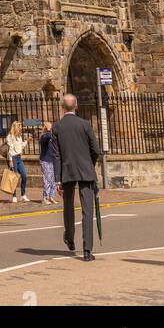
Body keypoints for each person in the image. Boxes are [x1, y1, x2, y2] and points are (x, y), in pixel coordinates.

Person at [52, 94, 101, 261]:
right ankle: (87, 250)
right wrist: (90, 164)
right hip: (86, 170)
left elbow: (56, 155)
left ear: (62, 107)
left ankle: (70, 238)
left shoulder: (57, 127)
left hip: (67, 171)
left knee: (68, 207)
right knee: (88, 210)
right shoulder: (85, 124)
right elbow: (96, 149)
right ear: (76, 106)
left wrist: (57, 179)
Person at [4, 120, 30, 203]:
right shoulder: (10, 136)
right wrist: (10, 160)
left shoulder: (19, 136)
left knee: (24, 176)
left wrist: (27, 141)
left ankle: (23, 195)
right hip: (13, 158)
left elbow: (21, 146)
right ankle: (14, 196)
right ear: (15, 127)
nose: (21, 128)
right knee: (14, 177)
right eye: (19, 126)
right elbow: (10, 149)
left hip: (19, 158)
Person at [39, 119, 58, 204]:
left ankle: (51, 196)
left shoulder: (52, 136)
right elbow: (47, 137)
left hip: (52, 160)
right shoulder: (44, 136)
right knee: (47, 179)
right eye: (49, 126)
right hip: (45, 161)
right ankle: (45, 198)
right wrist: (49, 130)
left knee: (53, 180)